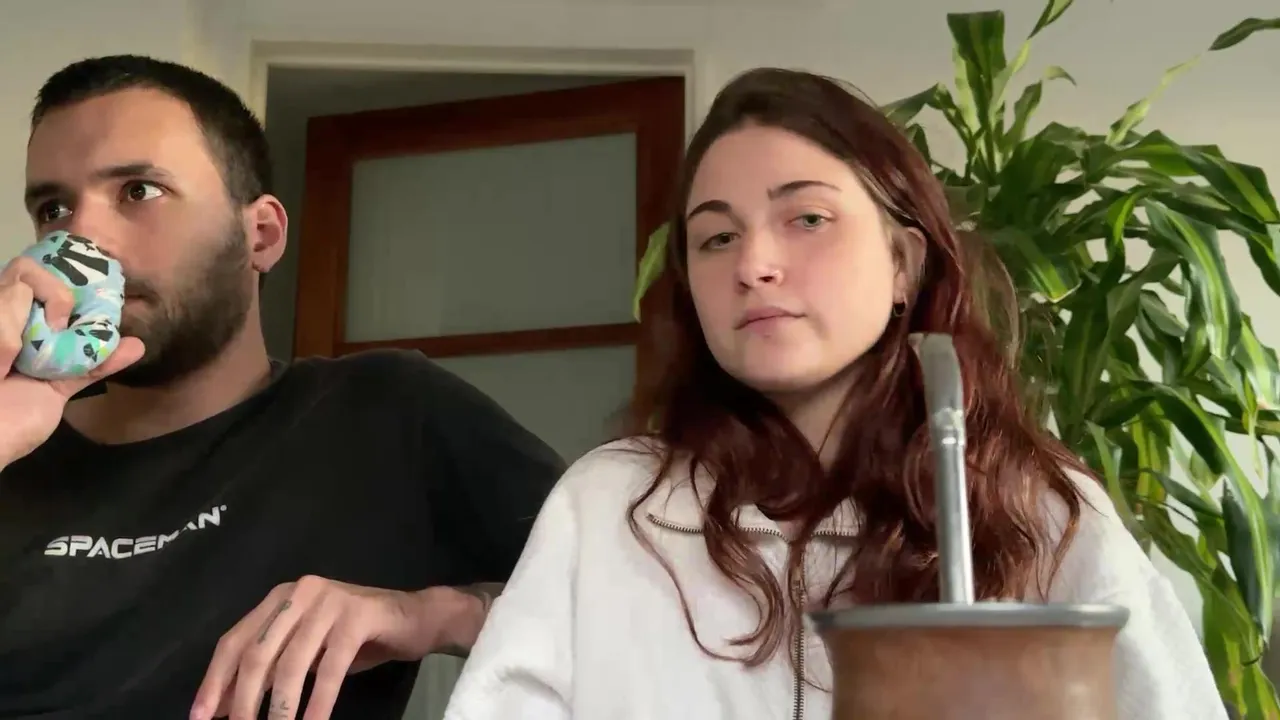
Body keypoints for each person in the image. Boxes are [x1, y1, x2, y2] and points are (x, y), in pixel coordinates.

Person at [440, 68, 1227, 720]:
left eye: (807, 218)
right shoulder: (611, 510)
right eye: (717, 237)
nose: (754, 264)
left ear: (903, 264)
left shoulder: (1041, 516)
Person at [0, 55, 565, 720]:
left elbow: (618, 602)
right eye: (54, 208)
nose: (81, 238)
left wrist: (428, 615)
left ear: (261, 236)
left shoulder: (385, 413)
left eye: (138, 191)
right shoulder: (14, 441)